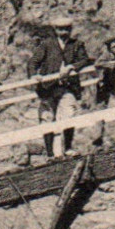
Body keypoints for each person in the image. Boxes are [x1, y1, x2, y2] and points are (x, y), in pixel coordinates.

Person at [30, 16, 89, 159]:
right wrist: (34, 75)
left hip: (67, 87)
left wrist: (71, 67)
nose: (64, 32)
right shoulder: (47, 44)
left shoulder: (77, 44)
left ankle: (67, 148)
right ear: (55, 30)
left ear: (70, 29)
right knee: (47, 118)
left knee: (69, 114)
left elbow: (84, 59)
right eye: (61, 29)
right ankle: (50, 154)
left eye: (67, 29)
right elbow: (33, 62)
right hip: (48, 88)